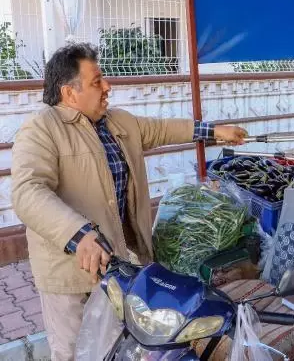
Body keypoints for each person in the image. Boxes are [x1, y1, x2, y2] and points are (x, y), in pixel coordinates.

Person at [10, 43, 247, 360]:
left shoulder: (117, 122)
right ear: (69, 93)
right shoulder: (42, 128)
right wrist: (78, 235)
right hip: (66, 274)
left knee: (111, 347)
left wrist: (215, 131)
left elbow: (163, 129)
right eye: (97, 82)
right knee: (70, 352)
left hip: (114, 267)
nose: (107, 87)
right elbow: (27, 191)